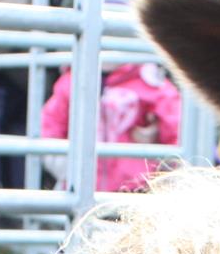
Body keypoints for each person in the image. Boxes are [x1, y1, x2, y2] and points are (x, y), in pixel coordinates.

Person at [39, 61, 180, 193]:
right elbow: (50, 128)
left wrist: (157, 135)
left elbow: (176, 131)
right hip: (83, 188)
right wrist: (69, 170)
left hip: (138, 190)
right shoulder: (73, 81)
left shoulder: (150, 83)